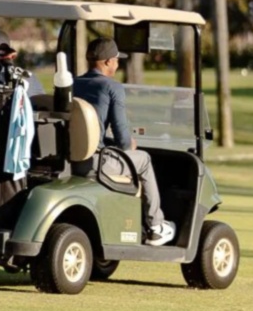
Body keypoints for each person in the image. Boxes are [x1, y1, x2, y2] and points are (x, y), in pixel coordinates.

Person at [72, 36, 175, 246]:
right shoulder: (112, 87)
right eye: (117, 60)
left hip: (71, 160)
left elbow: (90, 131)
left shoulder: (73, 84)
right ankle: (156, 226)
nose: (118, 64)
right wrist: (130, 144)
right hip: (96, 163)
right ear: (108, 62)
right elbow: (124, 140)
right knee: (144, 159)